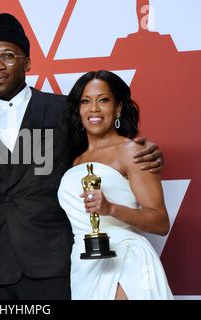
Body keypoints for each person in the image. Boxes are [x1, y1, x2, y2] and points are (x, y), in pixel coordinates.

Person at [0, 13, 164, 300]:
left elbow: (98, 152)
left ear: (27, 62)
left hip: (52, 262)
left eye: (8, 55)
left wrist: (145, 151)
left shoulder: (62, 110)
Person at [58, 70, 173, 299]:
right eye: (85, 101)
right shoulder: (75, 159)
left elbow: (160, 222)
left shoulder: (132, 152)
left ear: (118, 107)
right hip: (84, 266)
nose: (94, 109)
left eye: (103, 100)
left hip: (126, 263)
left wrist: (110, 209)